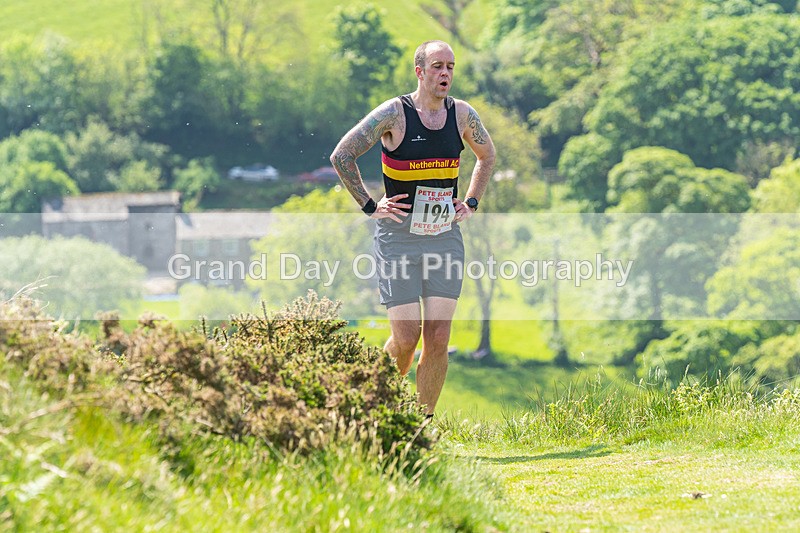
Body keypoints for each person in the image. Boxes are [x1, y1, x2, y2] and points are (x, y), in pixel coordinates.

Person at [330, 40, 496, 416]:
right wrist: (371, 206)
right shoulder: (395, 114)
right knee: (406, 338)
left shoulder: (462, 115)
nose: (445, 74)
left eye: (451, 67)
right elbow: (342, 155)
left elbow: (487, 156)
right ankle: (375, 406)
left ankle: (421, 427)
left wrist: (470, 202)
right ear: (419, 71)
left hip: (443, 236)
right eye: (438, 66)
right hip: (398, 237)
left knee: (438, 337)